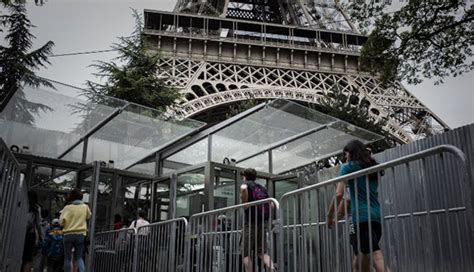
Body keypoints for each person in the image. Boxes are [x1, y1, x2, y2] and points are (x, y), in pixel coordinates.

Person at [328, 140, 385, 272]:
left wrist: (329, 215)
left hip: (361, 218)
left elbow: (339, 194)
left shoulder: (347, 167)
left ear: (351, 153)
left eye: (346, 154)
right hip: (376, 217)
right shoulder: (371, 167)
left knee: (376, 257)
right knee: (363, 257)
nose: (345, 157)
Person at [240, 168, 276, 272]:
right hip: (261, 223)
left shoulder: (245, 185)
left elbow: (244, 201)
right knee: (262, 252)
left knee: (245, 253)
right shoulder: (261, 187)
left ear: (245, 177)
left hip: (250, 223)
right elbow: (272, 204)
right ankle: (273, 268)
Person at [60, 189, 91, 272]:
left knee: (67, 258)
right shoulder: (85, 207)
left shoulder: (67, 207)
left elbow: (61, 222)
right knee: (79, 257)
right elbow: (88, 216)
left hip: (68, 234)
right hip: (80, 234)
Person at [22, 191, 44, 272]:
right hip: (30, 234)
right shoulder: (36, 207)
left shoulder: (21, 203)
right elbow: (38, 224)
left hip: (19, 233)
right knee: (27, 258)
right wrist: (42, 237)